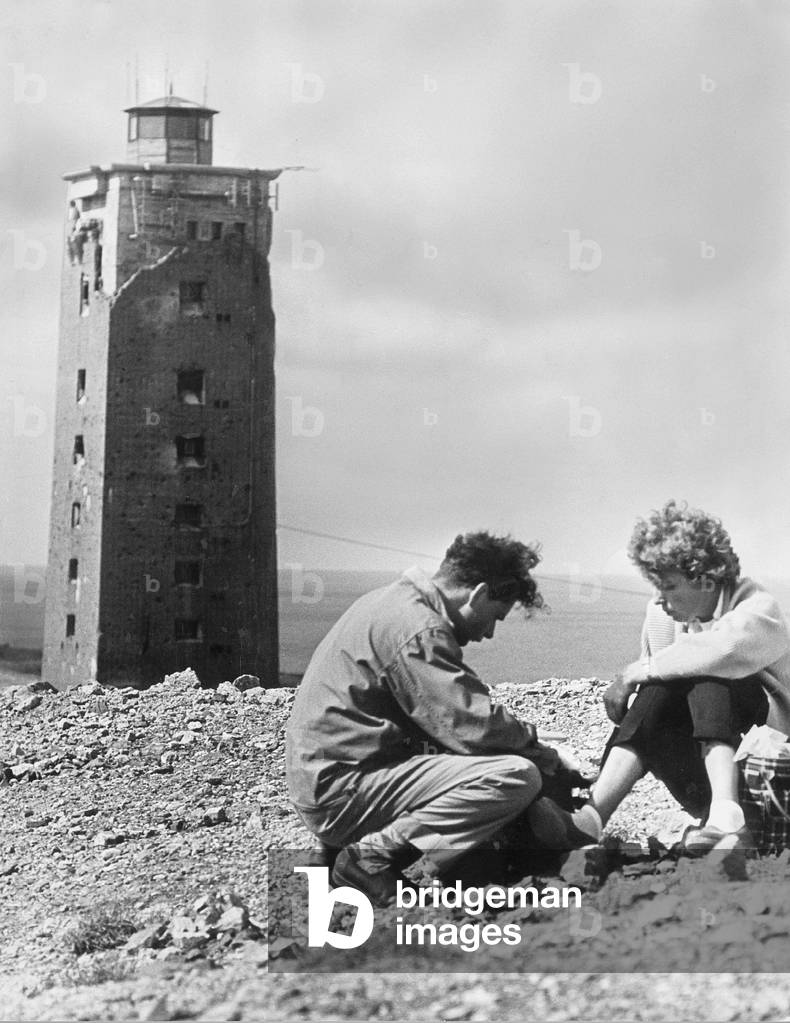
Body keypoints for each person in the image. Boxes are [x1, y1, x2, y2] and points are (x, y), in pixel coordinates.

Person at [285, 531, 564, 905]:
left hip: (330, 778)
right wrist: (539, 750)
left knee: (490, 765)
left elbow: (443, 718)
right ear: (478, 593)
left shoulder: (389, 602)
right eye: (495, 616)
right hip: (341, 793)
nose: (489, 633)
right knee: (514, 776)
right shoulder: (419, 627)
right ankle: (370, 858)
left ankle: (369, 850)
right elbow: (470, 725)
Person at [532, 500, 790, 855]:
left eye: (668, 585)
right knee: (661, 686)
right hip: (703, 772)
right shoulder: (662, 616)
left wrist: (635, 673)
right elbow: (653, 700)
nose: (659, 599)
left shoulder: (757, 607)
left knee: (704, 673)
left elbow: (725, 650)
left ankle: (728, 815)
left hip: (771, 767)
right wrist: (645, 677)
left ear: (704, 578)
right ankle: (591, 818)